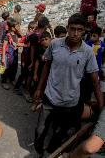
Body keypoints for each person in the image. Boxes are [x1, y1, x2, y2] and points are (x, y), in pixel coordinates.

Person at [33, 13, 104, 156]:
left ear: (84, 31)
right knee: (40, 130)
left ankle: (50, 152)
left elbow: (95, 81)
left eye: (79, 30)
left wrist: (101, 108)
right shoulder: (55, 44)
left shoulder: (88, 52)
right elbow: (47, 66)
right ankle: (39, 151)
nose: (75, 33)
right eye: (72, 29)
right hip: (50, 98)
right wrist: (39, 89)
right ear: (67, 28)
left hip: (70, 103)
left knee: (61, 132)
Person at [1, 18, 21, 90]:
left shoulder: (16, 34)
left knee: (14, 67)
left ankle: (11, 79)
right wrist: (3, 58)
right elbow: (4, 47)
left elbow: (21, 37)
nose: (18, 27)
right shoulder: (7, 35)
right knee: (4, 68)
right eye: (17, 26)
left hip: (14, 54)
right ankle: (3, 81)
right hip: (7, 55)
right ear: (12, 28)